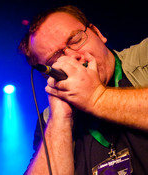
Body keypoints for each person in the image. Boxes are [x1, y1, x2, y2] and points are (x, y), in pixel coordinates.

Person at [19, 5, 148, 175]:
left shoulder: (144, 56)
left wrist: (96, 98)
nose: (73, 57)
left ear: (97, 33)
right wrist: (60, 120)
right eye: (56, 58)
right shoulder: (48, 120)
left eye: (76, 40)